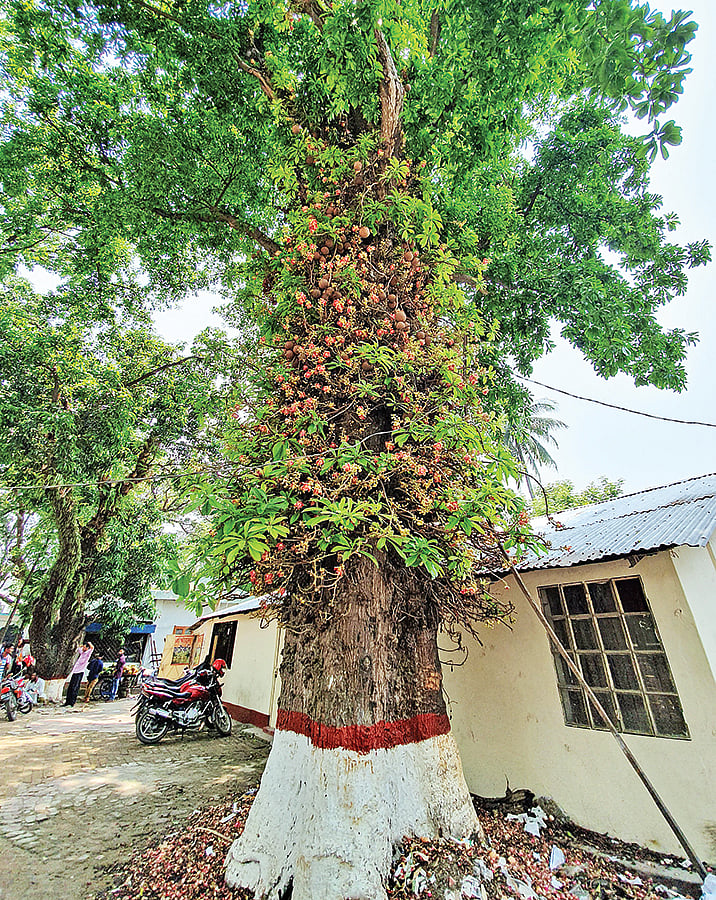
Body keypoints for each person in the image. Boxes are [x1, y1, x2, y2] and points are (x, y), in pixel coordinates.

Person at [64, 641, 94, 707]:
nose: (83, 648)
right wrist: (81, 646)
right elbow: (78, 648)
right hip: (75, 671)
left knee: (75, 687)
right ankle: (67, 701)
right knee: (70, 687)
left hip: (80, 672)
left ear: (87, 648)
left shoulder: (87, 654)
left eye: (84, 647)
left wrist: (89, 643)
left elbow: (92, 648)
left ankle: (72, 702)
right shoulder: (82, 653)